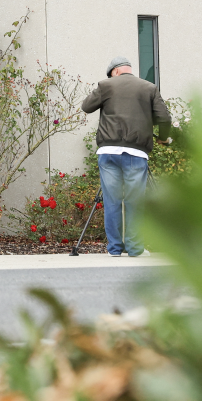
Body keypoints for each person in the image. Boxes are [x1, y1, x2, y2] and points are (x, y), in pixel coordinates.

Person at [80, 56, 171, 257]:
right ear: (127, 70)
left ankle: (114, 248)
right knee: (134, 202)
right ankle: (135, 249)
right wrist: (163, 138)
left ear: (114, 72)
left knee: (112, 201)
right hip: (136, 153)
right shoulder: (149, 88)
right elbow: (164, 118)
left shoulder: (106, 85)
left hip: (108, 152)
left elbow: (86, 106)